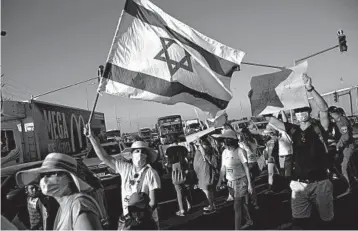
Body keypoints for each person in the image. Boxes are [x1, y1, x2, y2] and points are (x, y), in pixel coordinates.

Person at [267, 74, 333, 229]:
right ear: (294, 114)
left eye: (304, 110)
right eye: (297, 111)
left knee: (326, 221)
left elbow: (324, 109)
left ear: (309, 111)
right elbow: (271, 120)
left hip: (321, 182)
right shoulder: (293, 129)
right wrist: (260, 102)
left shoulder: (319, 127)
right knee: (299, 222)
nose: (300, 113)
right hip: (299, 184)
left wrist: (310, 88)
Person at [85, 125, 161, 230]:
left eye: (143, 152)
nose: (140, 154)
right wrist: (92, 138)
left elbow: (152, 202)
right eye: (137, 151)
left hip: (145, 221)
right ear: (132, 154)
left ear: (147, 156)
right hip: (129, 220)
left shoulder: (151, 173)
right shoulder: (125, 168)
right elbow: (105, 157)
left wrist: (140, 217)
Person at [16, 153, 103, 230]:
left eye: (52, 174)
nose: (45, 179)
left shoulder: (79, 204)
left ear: (69, 178)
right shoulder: (63, 207)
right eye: (43, 175)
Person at [216, 129, 253, 230]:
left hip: (240, 181)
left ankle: (237, 229)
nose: (224, 143)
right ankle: (249, 220)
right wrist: (219, 181)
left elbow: (246, 168)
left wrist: (250, 184)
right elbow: (223, 168)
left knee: (236, 207)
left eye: (226, 140)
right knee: (241, 204)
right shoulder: (224, 152)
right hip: (230, 182)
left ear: (231, 141)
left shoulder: (240, 152)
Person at [329, 106, 356, 192]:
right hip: (346, 146)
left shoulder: (341, 121)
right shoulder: (339, 120)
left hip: (348, 146)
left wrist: (338, 145)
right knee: (347, 165)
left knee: (344, 167)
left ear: (331, 114)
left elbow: (346, 136)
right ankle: (353, 180)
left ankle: (348, 186)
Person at [166, 135, 192, 216]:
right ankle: (189, 205)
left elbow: (168, 162)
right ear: (177, 140)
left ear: (170, 141)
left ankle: (182, 210)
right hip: (184, 168)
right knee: (187, 188)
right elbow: (188, 158)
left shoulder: (168, 150)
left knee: (179, 190)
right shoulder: (183, 148)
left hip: (175, 169)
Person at [193, 136, 218, 215]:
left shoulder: (205, 151)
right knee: (209, 190)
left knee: (207, 190)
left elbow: (204, 154)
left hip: (205, 173)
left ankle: (212, 207)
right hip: (205, 173)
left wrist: (199, 144)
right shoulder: (208, 150)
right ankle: (213, 205)